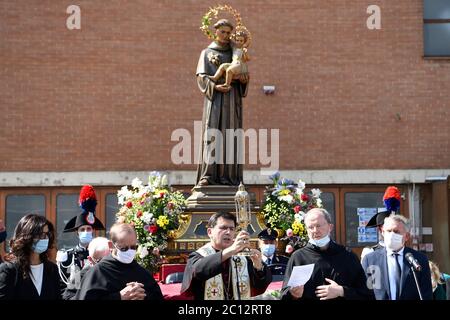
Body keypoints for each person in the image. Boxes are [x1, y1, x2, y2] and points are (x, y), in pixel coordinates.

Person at [195, 18, 249, 186]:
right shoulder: (206, 52)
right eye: (222, 32)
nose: (226, 35)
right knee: (212, 134)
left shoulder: (235, 51)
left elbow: (243, 73)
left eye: (228, 32)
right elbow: (201, 77)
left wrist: (244, 79)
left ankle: (230, 177)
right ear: (215, 31)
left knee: (230, 135)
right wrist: (216, 87)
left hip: (232, 99)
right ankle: (208, 176)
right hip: (215, 100)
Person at [281, 208, 375, 300]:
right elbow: (284, 294)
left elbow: (366, 294)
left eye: (318, 226)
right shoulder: (298, 257)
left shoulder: (347, 256)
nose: (315, 230)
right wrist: (294, 295)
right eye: (310, 227)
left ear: (330, 227)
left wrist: (342, 291)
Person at [181, 211, 271, 300]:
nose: (228, 232)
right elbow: (198, 271)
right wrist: (231, 250)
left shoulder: (243, 257)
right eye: (223, 228)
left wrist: (258, 266)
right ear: (209, 232)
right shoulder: (199, 255)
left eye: (232, 229)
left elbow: (260, 286)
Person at [75, 223, 163, 300]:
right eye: (124, 248)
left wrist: (143, 296)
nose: (129, 251)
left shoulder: (142, 273)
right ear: (111, 245)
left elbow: (156, 296)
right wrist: (119, 296)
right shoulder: (97, 272)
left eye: (133, 247)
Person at [361, 214, 433, 300]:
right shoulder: (370, 260)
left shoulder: (419, 259)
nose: (391, 235)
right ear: (383, 233)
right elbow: (364, 292)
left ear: (406, 236)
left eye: (396, 232)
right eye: (388, 231)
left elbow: (426, 293)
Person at [0, 214, 61, 300]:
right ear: (26, 236)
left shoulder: (52, 269)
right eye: (40, 234)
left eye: (47, 234)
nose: (45, 238)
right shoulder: (9, 270)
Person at [57, 185, 105, 292]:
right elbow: (63, 287)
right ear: (77, 233)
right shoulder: (68, 257)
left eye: (88, 229)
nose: (86, 232)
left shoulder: (103, 255)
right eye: (82, 229)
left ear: (93, 230)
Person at [361, 186, 401, 261]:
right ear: (380, 229)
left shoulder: (403, 251)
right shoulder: (369, 252)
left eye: (396, 230)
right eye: (389, 230)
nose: (392, 233)